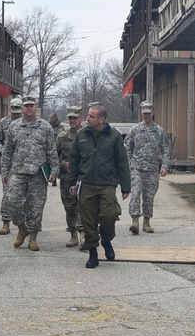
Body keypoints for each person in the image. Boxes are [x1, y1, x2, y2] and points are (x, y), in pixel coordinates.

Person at [69, 104, 131, 268]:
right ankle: (93, 253)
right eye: (88, 115)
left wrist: (126, 187)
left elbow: (122, 162)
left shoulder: (115, 136)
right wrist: (71, 183)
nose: (87, 118)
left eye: (91, 116)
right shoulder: (81, 135)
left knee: (109, 216)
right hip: (87, 184)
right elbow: (74, 161)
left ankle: (106, 239)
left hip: (107, 184)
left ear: (101, 119)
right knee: (88, 221)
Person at [0, 95, 58, 251]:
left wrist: (54, 171)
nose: (29, 108)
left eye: (32, 105)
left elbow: (52, 150)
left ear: (35, 107)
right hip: (17, 171)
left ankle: (33, 237)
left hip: (38, 173)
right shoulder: (14, 126)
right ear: (22, 108)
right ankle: (21, 228)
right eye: (26, 106)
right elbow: (7, 150)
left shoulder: (45, 126)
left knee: (36, 207)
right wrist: (4, 171)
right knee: (12, 202)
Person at [125, 100, 171, 234]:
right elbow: (128, 148)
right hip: (136, 168)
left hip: (152, 169)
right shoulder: (135, 130)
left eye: (149, 113)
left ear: (153, 113)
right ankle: (134, 220)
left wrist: (165, 166)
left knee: (149, 196)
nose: (147, 116)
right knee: (135, 193)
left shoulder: (159, 131)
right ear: (142, 114)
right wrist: (128, 165)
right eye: (144, 114)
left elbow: (166, 150)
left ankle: (146, 221)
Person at [55, 106, 85, 248]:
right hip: (67, 178)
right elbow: (54, 155)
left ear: (81, 118)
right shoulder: (62, 137)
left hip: (85, 177)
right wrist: (62, 164)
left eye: (75, 118)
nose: (72, 120)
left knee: (85, 206)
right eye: (70, 118)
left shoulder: (87, 135)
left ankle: (84, 233)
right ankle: (73, 235)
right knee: (70, 206)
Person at [0, 97, 22, 234]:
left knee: (25, 195)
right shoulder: (4, 123)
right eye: (14, 112)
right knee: (7, 194)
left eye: (18, 112)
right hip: (8, 164)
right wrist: (1, 150)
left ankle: (26, 223)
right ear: (9, 110)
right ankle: (6, 222)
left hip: (24, 164)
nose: (16, 115)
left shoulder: (27, 123)